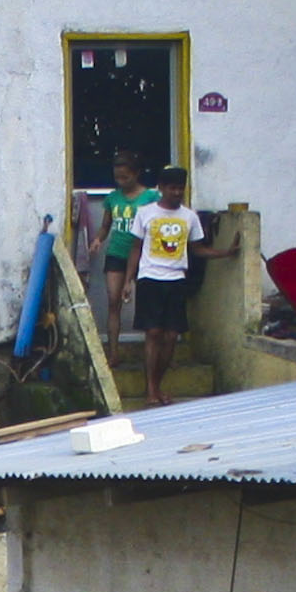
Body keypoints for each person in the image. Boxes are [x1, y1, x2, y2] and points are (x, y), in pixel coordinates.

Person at [121, 168, 213, 408]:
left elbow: (198, 249)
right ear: (160, 188)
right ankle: (151, 389)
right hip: (150, 278)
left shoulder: (190, 217)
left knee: (171, 336)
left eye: (180, 188)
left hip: (176, 280)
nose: (176, 193)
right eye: (172, 188)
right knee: (153, 333)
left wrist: (225, 253)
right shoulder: (145, 213)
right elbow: (135, 248)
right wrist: (129, 280)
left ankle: (157, 384)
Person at [94, 152, 152, 341]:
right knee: (113, 301)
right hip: (116, 253)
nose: (121, 181)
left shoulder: (151, 196)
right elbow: (105, 225)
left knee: (146, 303)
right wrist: (98, 240)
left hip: (144, 255)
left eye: (125, 177)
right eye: (117, 177)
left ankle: (148, 348)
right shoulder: (112, 198)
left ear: (136, 174)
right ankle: (113, 352)